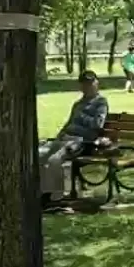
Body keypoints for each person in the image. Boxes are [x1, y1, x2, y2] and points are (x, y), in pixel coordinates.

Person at [39, 70, 109, 210]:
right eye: (85, 84)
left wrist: (82, 116)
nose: (88, 86)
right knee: (40, 154)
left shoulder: (100, 102)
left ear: (96, 83)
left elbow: (98, 124)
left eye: (91, 83)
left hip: (82, 141)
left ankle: (56, 198)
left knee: (54, 160)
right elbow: (69, 123)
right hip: (66, 138)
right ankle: (44, 194)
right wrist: (59, 135)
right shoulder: (78, 104)